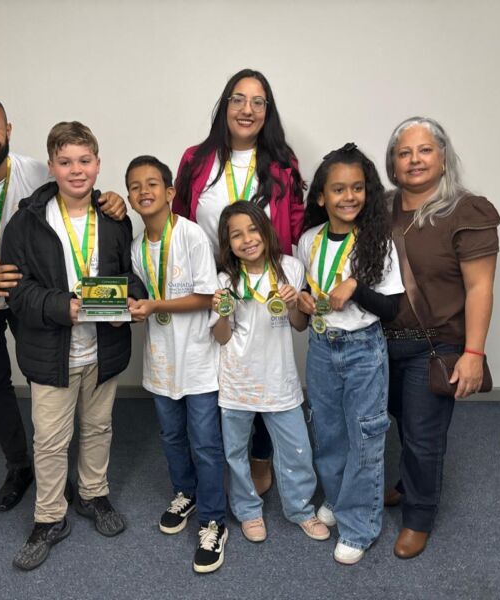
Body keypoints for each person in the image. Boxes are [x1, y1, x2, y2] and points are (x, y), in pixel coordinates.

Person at [0, 91, 127, 512]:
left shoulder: (37, 170)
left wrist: (113, 200)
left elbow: (78, 191)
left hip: (34, 293)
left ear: (7, 131)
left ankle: (60, 472)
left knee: (47, 372)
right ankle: (20, 466)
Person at [1, 121, 145, 571]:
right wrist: (66, 307)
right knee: (49, 441)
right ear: (52, 166)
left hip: (104, 349)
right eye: (66, 162)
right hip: (51, 353)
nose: (76, 170)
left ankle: (92, 495)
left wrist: (136, 296)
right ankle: (48, 518)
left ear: (98, 164)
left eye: (85, 161)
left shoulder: (115, 219)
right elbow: (17, 293)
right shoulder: (25, 223)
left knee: (99, 428)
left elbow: (128, 272)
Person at [173, 68, 306, 494]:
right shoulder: (196, 160)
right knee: (216, 374)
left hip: (263, 284)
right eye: (238, 99)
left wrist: (297, 284)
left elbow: (297, 224)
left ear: (268, 111)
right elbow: (178, 216)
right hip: (211, 284)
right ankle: (218, 457)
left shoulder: (283, 163)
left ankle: (261, 454)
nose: (247, 109)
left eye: (258, 102)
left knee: (266, 368)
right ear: (224, 105)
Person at [382, 116, 500, 559]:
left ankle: (418, 515)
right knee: (399, 420)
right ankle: (407, 482)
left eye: (425, 150)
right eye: (404, 152)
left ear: (443, 156)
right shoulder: (383, 208)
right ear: (392, 162)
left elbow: (479, 287)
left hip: (437, 345)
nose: (414, 160)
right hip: (381, 343)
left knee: (422, 436)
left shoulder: (466, 211)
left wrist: (473, 353)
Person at [296, 143, 404, 565]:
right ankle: (341, 501)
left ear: (368, 192)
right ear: (321, 197)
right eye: (338, 189)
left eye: (357, 188)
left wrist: (357, 288)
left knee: (364, 435)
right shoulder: (309, 240)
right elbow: (309, 297)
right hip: (321, 345)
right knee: (328, 431)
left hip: (363, 350)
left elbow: (392, 310)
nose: (349, 197)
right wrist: (304, 303)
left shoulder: (378, 242)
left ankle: (360, 525)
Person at [125, 155, 226, 573]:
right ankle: (185, 493)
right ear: (129, 197)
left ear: (169, 193)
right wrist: (132, 307)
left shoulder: (192, 235)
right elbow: (143, 298)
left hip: (199, 358)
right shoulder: (135, 248)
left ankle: (214, 519)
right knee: (171, 436)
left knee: (204, 440)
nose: (144, 191)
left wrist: (154, 304)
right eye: (135, 186)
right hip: (161, 360)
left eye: (153, 184)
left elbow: (206, 296)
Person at [210, 202, 329, 544]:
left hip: (280, 379)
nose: (247, 239)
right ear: (227, 243)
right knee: (234, 452)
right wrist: (221, 313)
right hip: (237, 381)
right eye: (236, 234)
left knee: (297, 450)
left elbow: (300, 325)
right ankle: (248, 510)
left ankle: (301, 509)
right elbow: (222, 337)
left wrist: (294, 304)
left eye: (253, 229)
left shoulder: (290, 267)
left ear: (266, 230)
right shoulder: (225, 280)